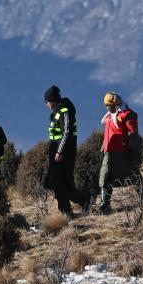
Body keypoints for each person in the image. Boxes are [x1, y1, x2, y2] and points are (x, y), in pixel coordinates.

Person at [43, 85, 90, 216]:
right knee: (58, 184)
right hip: (56, 154)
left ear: (52, 100)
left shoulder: (65, 110)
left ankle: (85, 201)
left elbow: (67, 132)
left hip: (65, 153)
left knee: (64, 182)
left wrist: (60, 151)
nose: (46, 104)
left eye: (47, 101)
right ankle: (66, 213)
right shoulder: (56, 113)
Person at [98, 91, 143, 214]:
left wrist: (131, 148)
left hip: (123, 151)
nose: (107, 108)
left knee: (133, 174)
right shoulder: (109, 116)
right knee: (105, 177)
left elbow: (133, 133)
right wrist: (102, 148)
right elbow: (108, 134)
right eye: (106, 106)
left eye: (109, 106)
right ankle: (105, 204)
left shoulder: (127, 115)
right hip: (109, 152)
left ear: (115, 104)